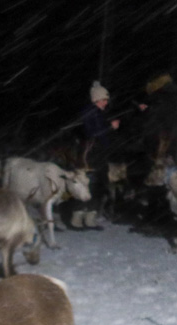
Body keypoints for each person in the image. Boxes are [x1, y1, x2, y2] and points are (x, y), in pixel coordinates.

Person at [76, 80, 120, 230]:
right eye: (104, 99)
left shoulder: (99, 113)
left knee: (98, 187)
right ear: (96, 99)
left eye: (106, 99)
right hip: (91, 155)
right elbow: (92, 133)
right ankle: (78, 219)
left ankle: (90, 219)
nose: (106, 102)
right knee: (89, 186)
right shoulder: (90, 112)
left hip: (100, 155)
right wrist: (110, 127)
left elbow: (101, 135)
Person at [137, 72, 177, 162]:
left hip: (161, 134)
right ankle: (169, 158)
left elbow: (156, 115)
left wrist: (148, 109)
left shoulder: (163, 94)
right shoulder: (171, 92)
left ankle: (160, 158)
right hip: (167, 132)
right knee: (170, 135)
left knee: (157, 133)